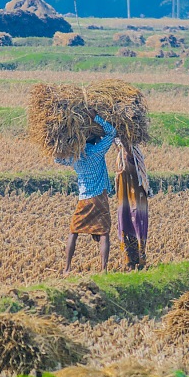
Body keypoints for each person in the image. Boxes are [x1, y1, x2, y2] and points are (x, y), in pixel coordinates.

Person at [55, 115, 117, 274]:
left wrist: (61, 140)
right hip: (99, 198)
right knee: (104, 232)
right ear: (94, 139)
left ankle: (66, 268)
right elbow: (112, 133)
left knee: (73, 232)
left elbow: (58, 159)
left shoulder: (76, 156)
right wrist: (97, 117)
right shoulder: (98, 151)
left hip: (83, 199)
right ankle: (103, 269)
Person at [114, 139, 149, 270]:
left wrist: (122, 134)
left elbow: (126, 147)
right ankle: (129, 259)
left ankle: (139, 259)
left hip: (135, 200)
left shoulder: (132, 154)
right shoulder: (122, 156)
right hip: (126, 200)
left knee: (136, 225)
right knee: (125, 225)